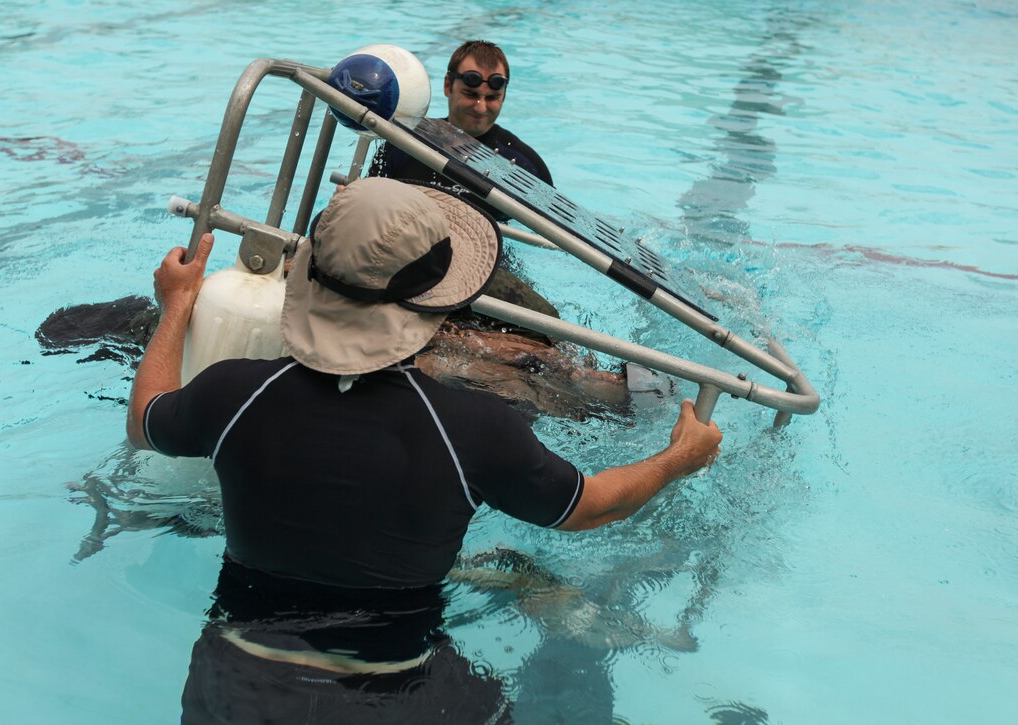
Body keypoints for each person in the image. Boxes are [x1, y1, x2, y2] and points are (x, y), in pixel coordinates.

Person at [126, 177, 721, 721]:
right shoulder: (473, 429)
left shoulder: (235, 393)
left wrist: (177, 305)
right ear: (436, 300)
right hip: (398, 694)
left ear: (308, 276)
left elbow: (146, 419)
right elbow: (593, 507)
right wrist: (677, 460)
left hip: (230, 687)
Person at [367, 39, 552, 219]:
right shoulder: (405, 144)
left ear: (504, 96)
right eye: (470, 94)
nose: (480, 107)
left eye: (492, 97)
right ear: (448, 86)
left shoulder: (523, 164)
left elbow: (555, 238)